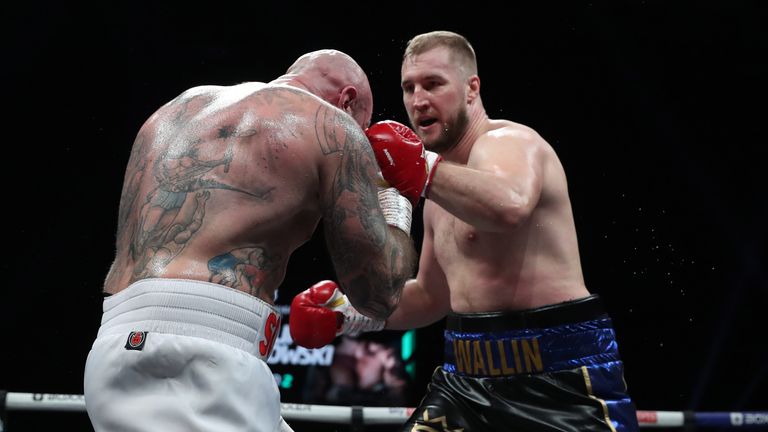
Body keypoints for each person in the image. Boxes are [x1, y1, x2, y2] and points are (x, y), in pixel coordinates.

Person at [290, 32, 639, 431]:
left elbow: (509, 205)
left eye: (433, 84)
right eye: (409, 87)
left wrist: (421, 168)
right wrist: (349, 313)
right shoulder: (439, 189)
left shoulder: (509, 142)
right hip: (465, 382)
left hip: (558, 379)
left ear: (472, 89)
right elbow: (431, 296)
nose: (418, 100)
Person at [83, 49, 422, 432]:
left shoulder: (176, 109)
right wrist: (394, 198)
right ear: (347, 100)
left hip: (113, 348)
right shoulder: (332, 126)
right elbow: (380, 293)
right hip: (202, 362)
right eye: (363, 124)